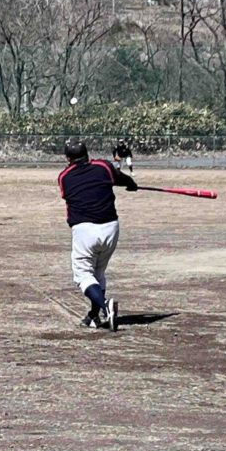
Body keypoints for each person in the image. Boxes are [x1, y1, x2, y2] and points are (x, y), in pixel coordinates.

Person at [58, 141, 138, 330]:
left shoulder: (64, 176)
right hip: (111, 227)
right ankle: (93, 315)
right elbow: (120, 178)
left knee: (83, 276)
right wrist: (131, 184)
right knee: (98, 273)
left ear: (67, 158)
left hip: (85, 229)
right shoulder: (103, 166)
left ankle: (104, 307)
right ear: (87, 154)